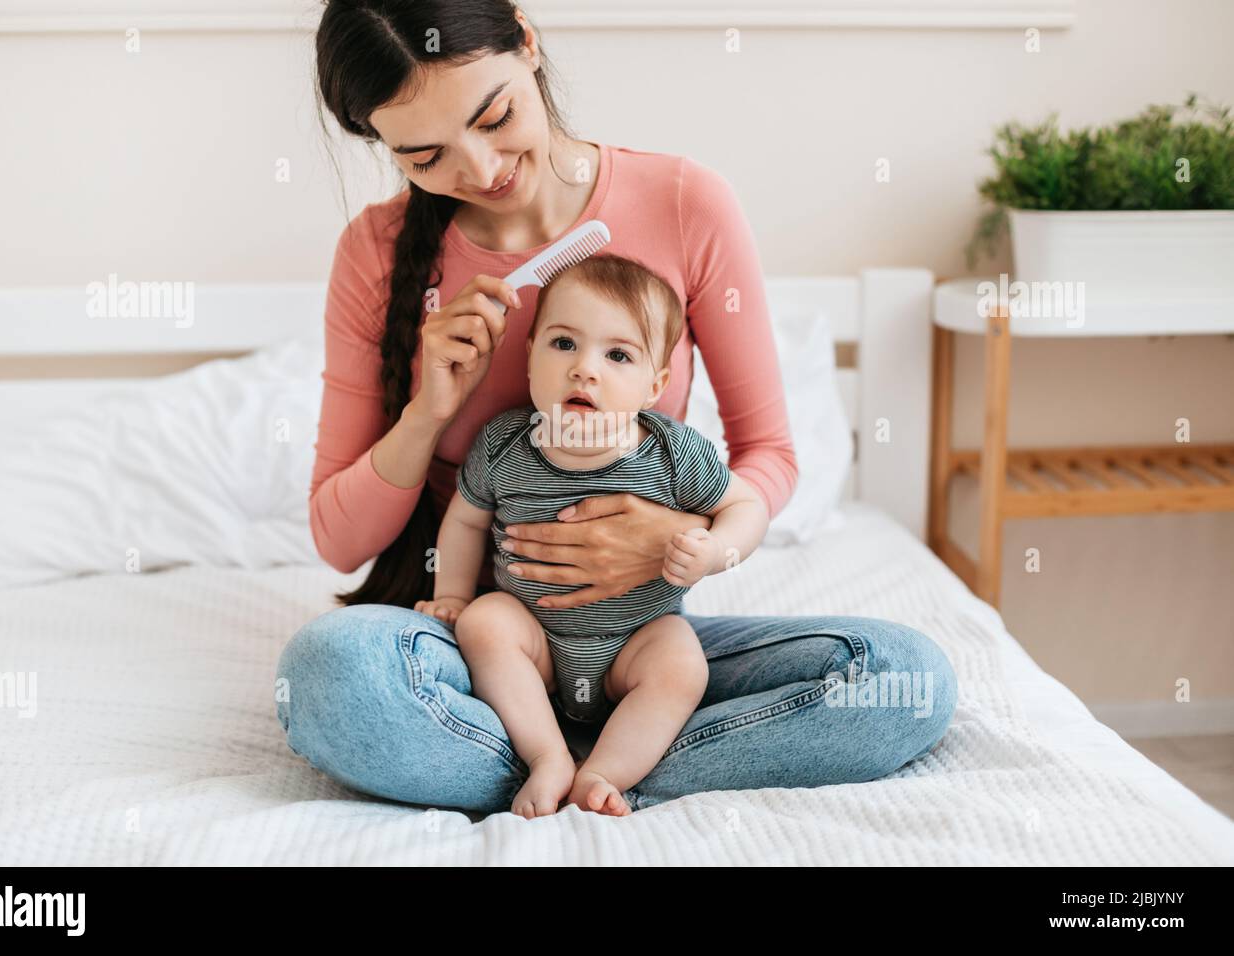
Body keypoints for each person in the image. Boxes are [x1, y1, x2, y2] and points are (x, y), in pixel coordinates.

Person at [275, 0, 957, 814]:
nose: (482, 166)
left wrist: (685, 540)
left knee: (901, 681)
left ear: (527, 41)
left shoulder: (684, 203)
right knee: (329, 675)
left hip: (639, 638)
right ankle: (564, 759)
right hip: (484, 644)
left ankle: (600, 764)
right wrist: (427, 411)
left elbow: (768, 455)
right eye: (425, 155)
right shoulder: (376, 253)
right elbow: (338, 539)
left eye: (495, 116)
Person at [415, 253, 770, 817]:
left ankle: (606, 770)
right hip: (537, 647)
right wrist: (454, 596)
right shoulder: (504, 446)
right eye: (563, 344)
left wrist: (715, 550)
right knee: (485, 622)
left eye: (617, 355)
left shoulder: (671, 453)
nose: (585, 368)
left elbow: (747, 505)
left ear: (654, 386)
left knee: (682, 665)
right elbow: (463, 519)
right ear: (529, 355)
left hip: (636, 641)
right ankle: (547, 755)